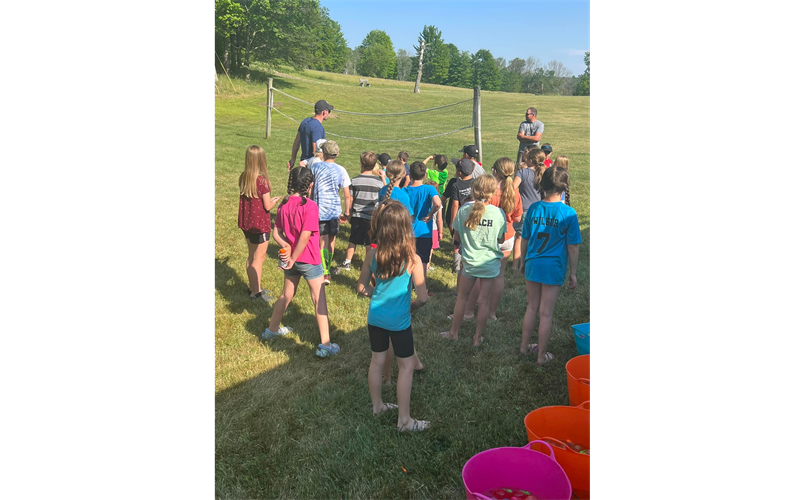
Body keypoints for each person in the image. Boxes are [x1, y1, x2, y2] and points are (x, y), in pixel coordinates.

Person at [357, 201, 430, 432]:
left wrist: (377, 294)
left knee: (376, 361)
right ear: (405, 228)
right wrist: (412, 306)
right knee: (406, 366)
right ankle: (404, 421)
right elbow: (423, 298)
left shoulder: (372, 254)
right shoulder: (413, 259)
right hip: (399, 323)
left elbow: (361, 287)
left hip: (375, 318)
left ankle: (377, 407)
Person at [264, 167, 340, 358]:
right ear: (310, 185)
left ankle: (271, 330)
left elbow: (276, 233)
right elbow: (305, 236)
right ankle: (326, 345)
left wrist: (286, 247)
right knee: (318, 299)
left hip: (292, 259)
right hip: (309, 259)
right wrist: (293, 257)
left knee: (286, 294)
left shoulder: (284, 204)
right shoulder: (311, 206)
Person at [519, 167, 581, 366]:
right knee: (545, 313)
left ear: (543, 185)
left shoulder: (534, 208)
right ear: (564, 187)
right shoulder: (568, 213)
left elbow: (525, 238)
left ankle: (524, 347)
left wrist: (522, 261)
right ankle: (541, 357)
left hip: (533, 263)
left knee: (531, 307)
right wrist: (573, 273)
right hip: (553, 267)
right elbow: (573, 246)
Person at [441, 175, 506, 346]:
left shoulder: (464, 210)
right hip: (490, 264)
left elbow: (456, 237)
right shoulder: (498, 213)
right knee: (483, 301)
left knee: (462, 298)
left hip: (469, 263)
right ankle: (477, 337)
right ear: (493, 192)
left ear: (473, 190)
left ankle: (453, 333)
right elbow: (501, 239)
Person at [460, 158, 522, 321]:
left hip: (487, 236)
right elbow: (517, 218)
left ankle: (468, 311)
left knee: (478, 276)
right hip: (507, 237)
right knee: (499, 276)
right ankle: (491, 313)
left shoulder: (489, 191)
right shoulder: (514, 192)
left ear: (495, 171)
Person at [238, 145, 282, 302]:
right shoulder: (263, 181)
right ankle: (256, 293)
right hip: (259, 225)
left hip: (247, 223)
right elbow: (267, 206)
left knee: (251, 256)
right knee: (259, 259)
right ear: (261, 160)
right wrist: (274, 201)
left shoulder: (244, 177)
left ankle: (253, 287)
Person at [337, 151, 385, 273]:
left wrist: (348, 213)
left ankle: (347, 261)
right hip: (372, 216)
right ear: (374, 165)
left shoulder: (354, 180)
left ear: (362, 164)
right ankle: (369, 263)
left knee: (353, 239)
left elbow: (350, 198)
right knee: (369, 241)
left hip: (357, 215)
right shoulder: (379, 182)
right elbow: (384, 196)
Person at [309, 140, 346, 285]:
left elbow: (310, 186)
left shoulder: (316, 167)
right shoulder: (341, 169)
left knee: (322, 240)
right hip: (334, 210)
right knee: (332, 240)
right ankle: (328, 269)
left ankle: (324, 271)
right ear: (338, 154)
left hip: (320, 209)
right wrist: (347, 212)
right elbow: (347, 192)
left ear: (323, 153)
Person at [404, 161, 442, 278]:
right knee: (423, 261)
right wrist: (430, 214)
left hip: (407, 232)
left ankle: (408, 283)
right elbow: (437, 203)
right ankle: (421, 284)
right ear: (425, 175)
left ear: (410, 175)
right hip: (424, 231)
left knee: (407, 259)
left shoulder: (404, 190)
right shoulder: (429, 189)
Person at [512, 149, 547, 272]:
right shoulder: (544, 173)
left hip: (524, 209)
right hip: (539, 210)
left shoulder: (522, 172)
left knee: (520, 237)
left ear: (531, 160)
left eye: (526, 158)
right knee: (535, 237)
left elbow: (512, 188)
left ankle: (515, 265)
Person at [287, 100, 333, 170]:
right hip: (312, 167)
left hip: (303, 164)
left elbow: (297, 141)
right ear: (324, 112)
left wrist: (293, 158)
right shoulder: (317, 127)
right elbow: (316, 151)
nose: (329, 113)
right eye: (329, 111)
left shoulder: (305, 122)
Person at [447, 158, 476, 273]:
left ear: (459, 172)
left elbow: (455, 205)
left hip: (460, 217)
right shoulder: (475, 182)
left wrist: (452, 222)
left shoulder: (456, 185)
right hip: (473, 216)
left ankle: (456, 268)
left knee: (457, 243)